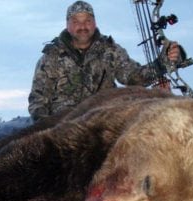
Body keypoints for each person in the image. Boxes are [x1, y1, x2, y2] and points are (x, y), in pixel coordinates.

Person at [28, 1, 183, 121]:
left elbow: (134, 77)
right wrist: (48, 128)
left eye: (87, 20)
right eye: (76, 22)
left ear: (95, 23)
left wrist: (162, 63)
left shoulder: (110, 50)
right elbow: (38, 101)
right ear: (68, 25)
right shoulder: (50, 58)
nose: (82, 26)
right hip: (64, 128)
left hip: (104, 124)